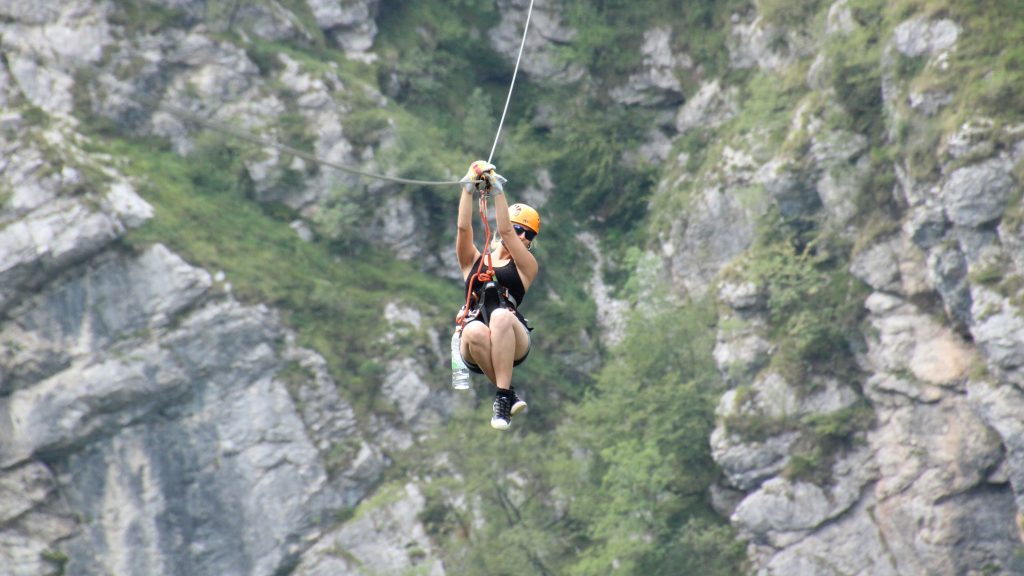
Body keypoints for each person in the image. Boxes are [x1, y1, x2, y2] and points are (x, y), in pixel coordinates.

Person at [456, 160, 541, 430]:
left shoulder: (526, 267)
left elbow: (504, 230)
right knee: (472, 332)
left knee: (502, 316)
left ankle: (502, 398)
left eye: (528, 235)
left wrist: (498, 191)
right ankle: (507, 393)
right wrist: (467, 190)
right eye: (520, 229)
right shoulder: (474, 261)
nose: (522, 237)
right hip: (478, 340)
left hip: (512, 336)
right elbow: (463, 231)